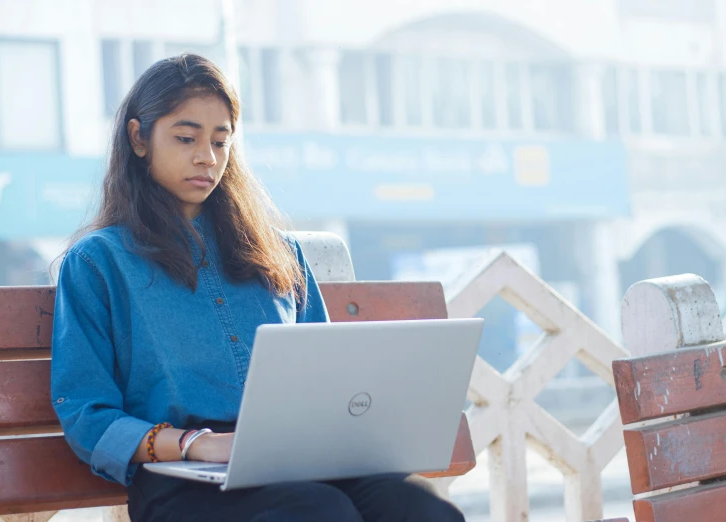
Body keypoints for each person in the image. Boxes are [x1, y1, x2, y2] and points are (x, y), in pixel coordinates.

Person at [50, 53, 465, 522]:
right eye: (186, 138)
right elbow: (86, 412)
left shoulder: (277, 251)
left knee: (420, 511)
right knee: (317, 513)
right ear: (138, 138)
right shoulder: (99, 262)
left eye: (221, 140)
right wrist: (196, 443)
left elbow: (327, 375)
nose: (207, 156)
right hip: (182, 476)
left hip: (299, 460)